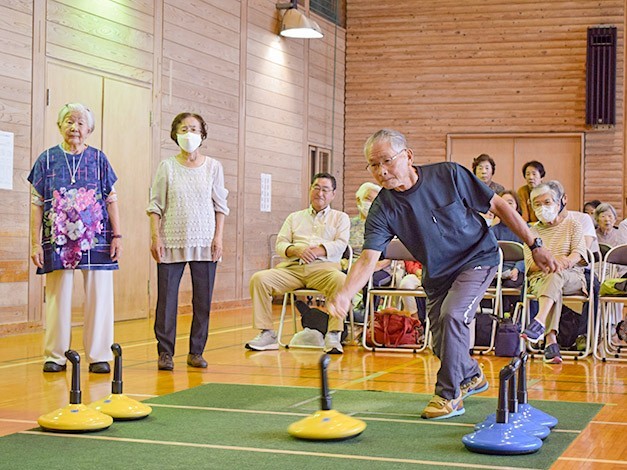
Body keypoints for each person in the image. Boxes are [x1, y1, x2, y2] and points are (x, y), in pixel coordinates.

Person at [325, 129, 557, 420]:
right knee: (440, 343)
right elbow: (368, 258)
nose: (381, 171)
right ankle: (472, 375)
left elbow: (498, 205)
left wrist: (535, 245)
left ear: (408, 156)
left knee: (453, 316)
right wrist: (345, 294)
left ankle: (449, 395)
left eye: (387, 161)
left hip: (477, 258)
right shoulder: (382, 208)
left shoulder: (448, 175)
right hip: (437, 274)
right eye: (373, 165)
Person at [28, 103, 122, 374]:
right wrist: (35, 242)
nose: (75, 127)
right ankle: (55, 355)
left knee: (99, 294)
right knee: (57, 295)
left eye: (81, 123)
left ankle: (99, 354)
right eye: (69, 121)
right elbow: (36, 204)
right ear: (60, 126)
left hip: (97, 237)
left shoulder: (99, 158)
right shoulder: (46, 159)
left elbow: (111, 199)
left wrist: (117, 235)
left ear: (89, 129)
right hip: (58, 237)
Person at [147, 112, 229, 371]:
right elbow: (155, 206)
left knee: (202, 301)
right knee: (166, 301)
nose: (189, 134)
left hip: (205, 242)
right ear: (175, 134)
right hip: (171, 241)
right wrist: (155, 237)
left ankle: (196, 351)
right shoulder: (167, 166)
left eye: (194, 129)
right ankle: (165, 353)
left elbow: (220, 206)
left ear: (202, 135)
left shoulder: (213, 167)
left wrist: (218, 237)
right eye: (183, 129)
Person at [246, 173, 350, 354]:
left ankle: (333, 335)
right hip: (293, 269)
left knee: (341, 281)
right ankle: (267, 334)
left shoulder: (340, 218)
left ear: (333, 194)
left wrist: (318, 250)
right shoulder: (294, 217)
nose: (320, 193)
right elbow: (280, 244)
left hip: (324, 269)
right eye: (316, 188)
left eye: (325, 190)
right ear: (310, 190)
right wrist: (296, 250)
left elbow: (341, 244)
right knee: (259, 279)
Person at [521, 182, 588, 364]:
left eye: (547, 202)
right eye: (537, 204)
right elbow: (530, 264)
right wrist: (552, 264)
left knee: (555, 274)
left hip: (572, 277)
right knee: (553, 280)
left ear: (559, 203)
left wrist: (560, 262)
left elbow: (578, 254)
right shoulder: (531, 231)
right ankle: (550, 341)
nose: (542, 208)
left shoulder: (573, 225)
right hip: (541, 279)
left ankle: (540, 321)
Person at [349, 182, 391, 318]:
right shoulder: (349, 224)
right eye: (368, 199)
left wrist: (373, 266)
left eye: (374, 200)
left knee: (368, 277)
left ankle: (366, 315)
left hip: (378, 267)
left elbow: (391, 255)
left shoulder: (385, 225)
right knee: (337, 277)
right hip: (352, 265)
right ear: (358, 200)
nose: (371, 203)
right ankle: (343, 316)